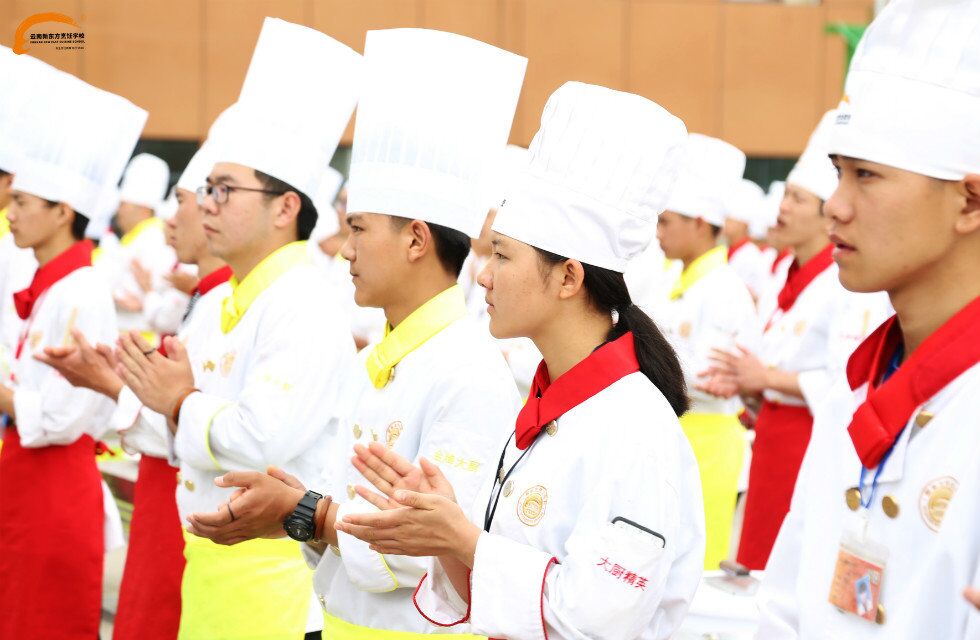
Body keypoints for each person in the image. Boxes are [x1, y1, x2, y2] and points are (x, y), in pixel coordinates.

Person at [186, 27, 527, 639]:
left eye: (359, 229)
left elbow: (430, 547)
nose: (344, 249)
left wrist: (310, 513)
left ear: (416, 240)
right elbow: (349, 523)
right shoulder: (386, 358)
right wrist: (304, 509)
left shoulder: (468, 371)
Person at [334, 81, 706, 640]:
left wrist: (463, 538)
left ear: (568, 277)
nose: (483, 276)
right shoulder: (548, 407)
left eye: (503, 256)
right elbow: (490, 597)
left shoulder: (634, 427)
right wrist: (443, 530)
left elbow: (597, 619)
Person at [114, 18, 361, 639]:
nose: (206, 204)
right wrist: (165, 401)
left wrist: (179, 401)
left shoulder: (302, 302)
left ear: (286, 207)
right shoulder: (227, 300)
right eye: (207, 189)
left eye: (224, 190)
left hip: (273, 576)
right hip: (209, 564)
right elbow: (176, 430)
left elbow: (260, 441)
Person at [757, 1, 980, 636]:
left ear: (969, 202)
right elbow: (785, 607)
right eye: (837, 173)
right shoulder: (854, 390)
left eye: (866, 176)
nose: (836, 206)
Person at [37, 141, 231, 640]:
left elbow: (202, 427)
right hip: (163, 494)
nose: (171, 219)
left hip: (188, 506)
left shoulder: (231, 305)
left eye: (184, 202)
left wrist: (111, 383)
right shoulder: (210, 298)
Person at [0, 57, 147, 639]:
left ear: (63, 212)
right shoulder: (52, 286)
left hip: (56, 484)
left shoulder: (81, 291)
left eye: (22, 202)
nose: (10, 212)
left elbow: (63, 417)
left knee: (47, 619)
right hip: (28, 475)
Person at [699, 110, 844, 570]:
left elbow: (843, 380)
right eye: (786, 196)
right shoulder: (784, 273)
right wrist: (747, 383)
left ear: (827, 214)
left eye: (798, 199)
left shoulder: (842, 282)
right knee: (755, 554)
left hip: (806, 440)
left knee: (788, 560)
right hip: (770, 432)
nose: (783, 207)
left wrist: (766, 378)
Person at [645, 133, 758, 570]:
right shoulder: (673, 282)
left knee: (698, 566)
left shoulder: (725, 290)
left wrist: (644, 360)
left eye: (667, 222)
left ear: (698, 222)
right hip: (675, 433)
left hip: (709, 441)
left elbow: (713, 380)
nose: (658, 232)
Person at [724, 179, 769, 300]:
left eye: (730, 219)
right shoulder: (729, 250)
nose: (724, 223)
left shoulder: (750, 256)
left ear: (743, 224)